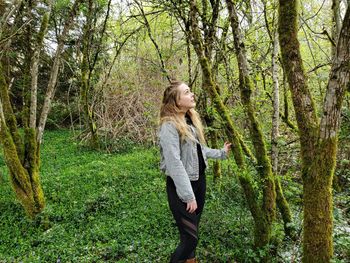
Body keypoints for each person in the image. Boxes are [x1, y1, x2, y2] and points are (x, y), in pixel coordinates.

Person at [158, 81, 231, 263]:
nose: (192, 95)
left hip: (199, 182)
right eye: (187, 92)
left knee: (193, 232)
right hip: (182, 188)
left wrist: (221, 153)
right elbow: (174, 162)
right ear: (176, 101)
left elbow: (199, 150)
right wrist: (188, 195)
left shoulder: (188, 122)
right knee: (191, 238)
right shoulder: (169, 126)